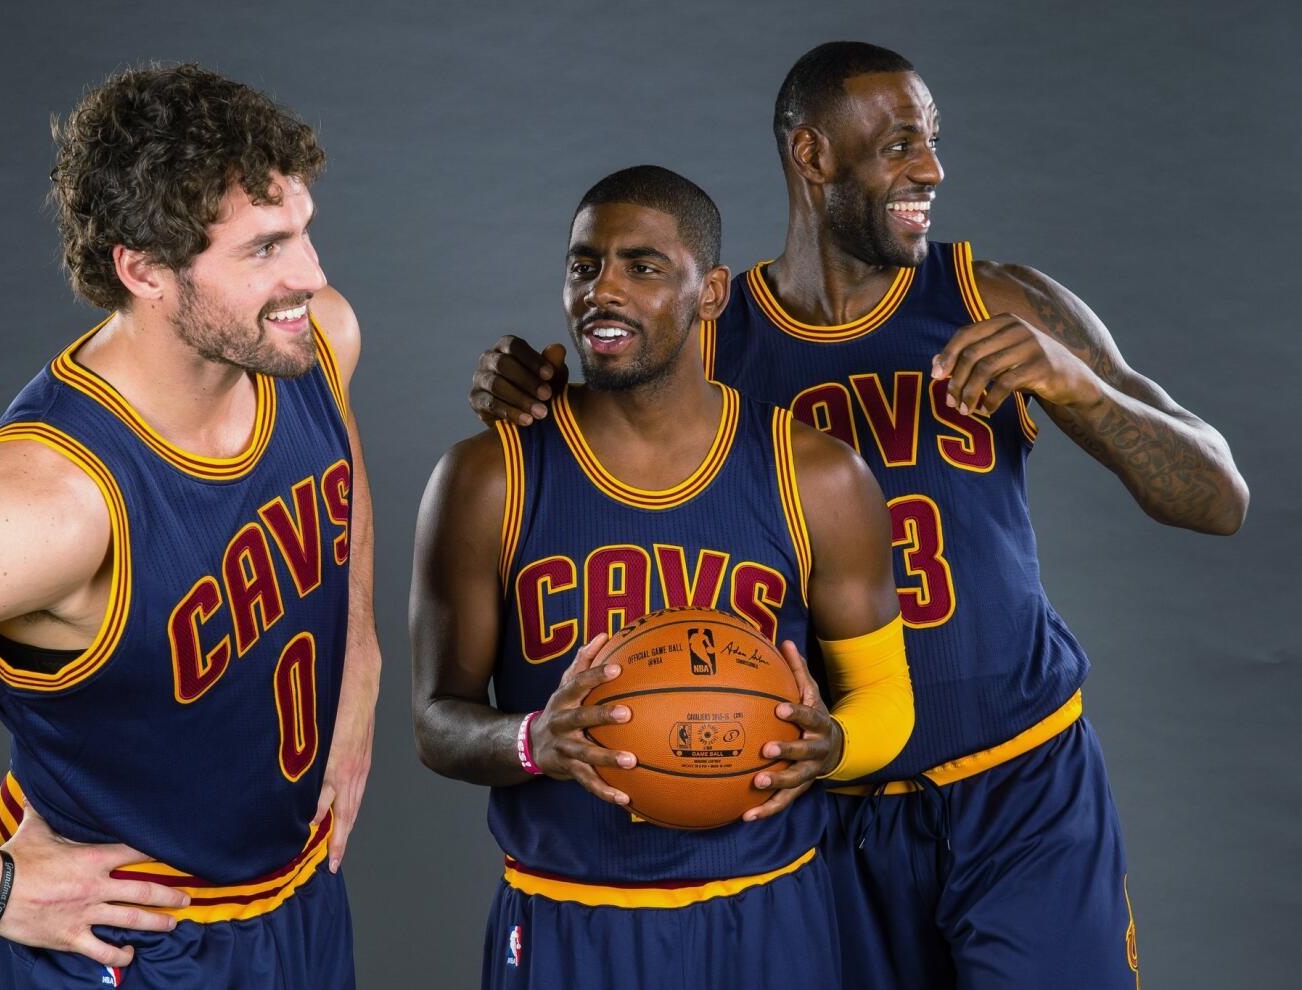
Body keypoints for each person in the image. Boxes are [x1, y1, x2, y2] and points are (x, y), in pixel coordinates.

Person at [465, 42, 1249, 989]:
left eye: (935, 142)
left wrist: (1074, 384)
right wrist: (528, 388)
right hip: (821, 804)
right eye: (902, 145)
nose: (933, 169)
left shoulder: (992, 300)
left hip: (1021, 788)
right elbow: (584, 441)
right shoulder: (712, 335)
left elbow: (1218, 499)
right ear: (813, 157)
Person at [0, 63, 381, 988]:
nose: (310, 277)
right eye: (265, 250)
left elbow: (339, 472)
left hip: (298, 899)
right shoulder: (49, 504)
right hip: (134, 943)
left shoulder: (317, 341)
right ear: (145, 269)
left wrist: (359, 653)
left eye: (306, 233)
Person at [412, 165, 914, 988]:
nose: (602, 290)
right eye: (584, 265)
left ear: (710, 292)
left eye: (642, 266)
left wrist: (836, 747)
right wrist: (532, 741)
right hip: (567, 910)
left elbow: (887, 699)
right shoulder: (488, 477)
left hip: (765, 908)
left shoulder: (815, 476)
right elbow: (435, 722)